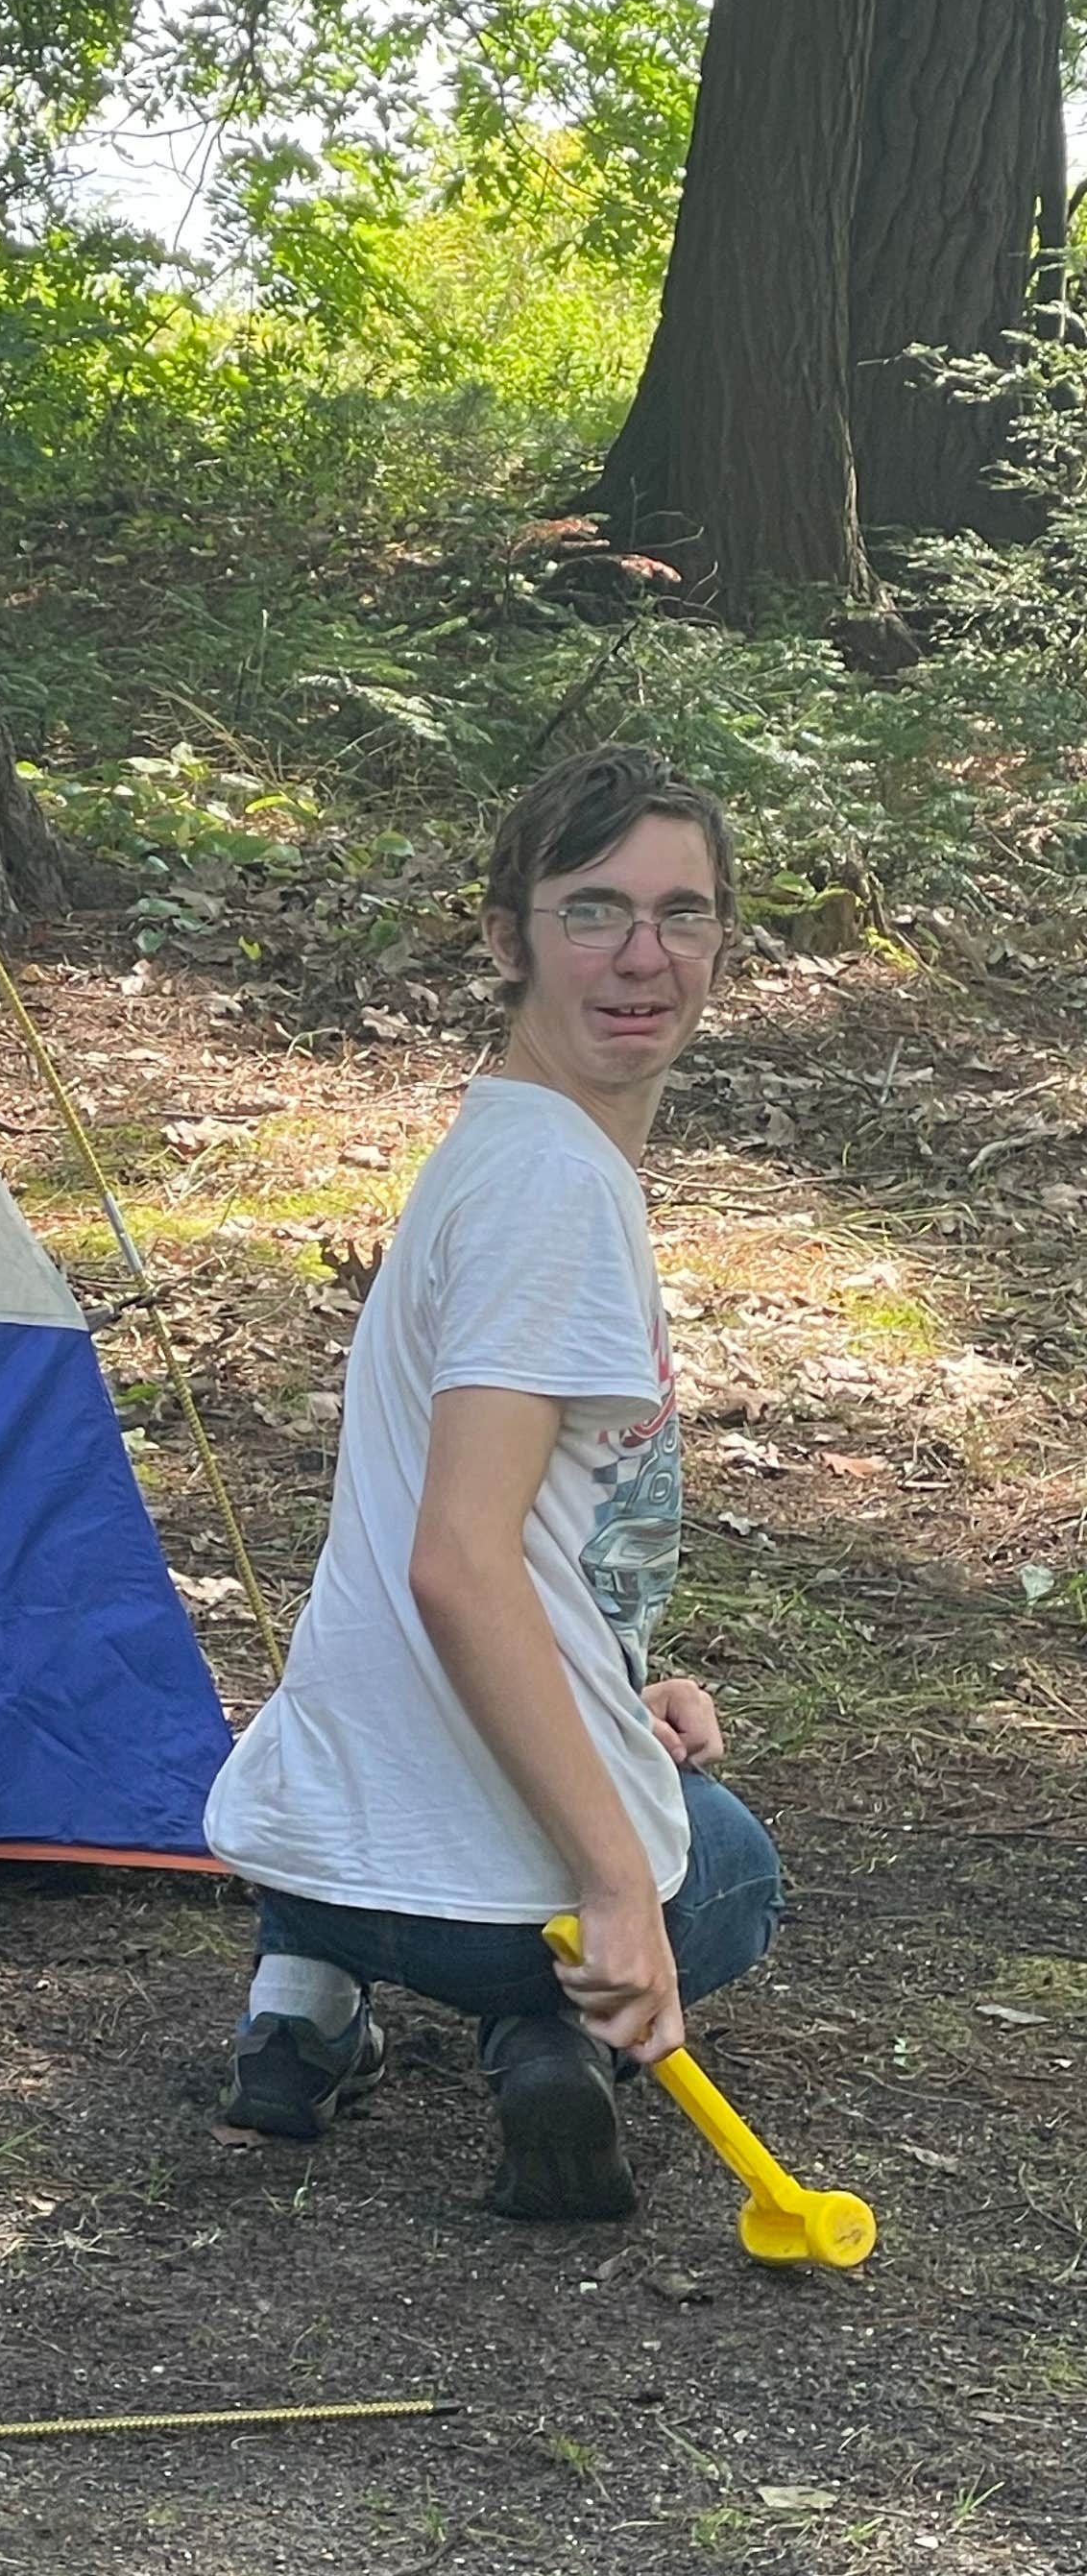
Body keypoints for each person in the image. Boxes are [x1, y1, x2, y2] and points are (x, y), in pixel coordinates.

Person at [200, 745, 784, 2222]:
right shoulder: (555, 1188)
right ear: (506, 935)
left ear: (724, 937)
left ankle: (306, 1991)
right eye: (593, 911)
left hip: (316, 1847)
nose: (643, 956)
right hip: (459, 1891)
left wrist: (619, 1682)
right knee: (725, 1870)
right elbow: (458, 1561)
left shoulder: (502, 1138)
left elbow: (501, 1537)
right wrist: (617, 1887)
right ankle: (541, 2021)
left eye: (682, 913)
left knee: (640, 1779)